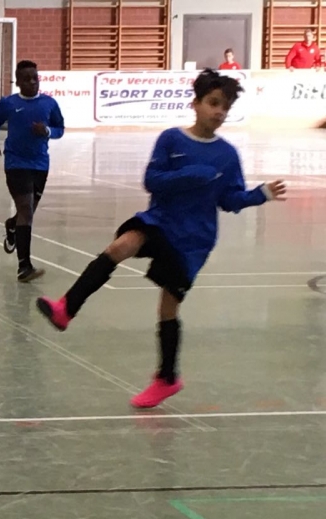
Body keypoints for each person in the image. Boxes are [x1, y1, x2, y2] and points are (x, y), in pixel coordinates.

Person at [35, 69, 286, 408]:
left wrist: (261, 194)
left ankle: (167, 378)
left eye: (225, 107)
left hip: (193, 239)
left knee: (168, 306)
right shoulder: (171, 139)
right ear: (195, 103)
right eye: (213, 103)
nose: (218, 112)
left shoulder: (227, 155)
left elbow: (230, 200)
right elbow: (152, 181)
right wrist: (189, 175)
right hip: (160, 221)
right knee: (121, 245)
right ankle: (66, 308)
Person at [0, 60, 64, 283]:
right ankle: (24, 266)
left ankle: (12, 226)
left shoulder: (49, 103)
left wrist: (47, 131)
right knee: (26, 210)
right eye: (27, 79)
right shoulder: (9, 103)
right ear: (18, 82)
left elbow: (60, 129)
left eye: (35, 78)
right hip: (15, 163)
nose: (32, 82)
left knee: (28, 211)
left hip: (40, 164)